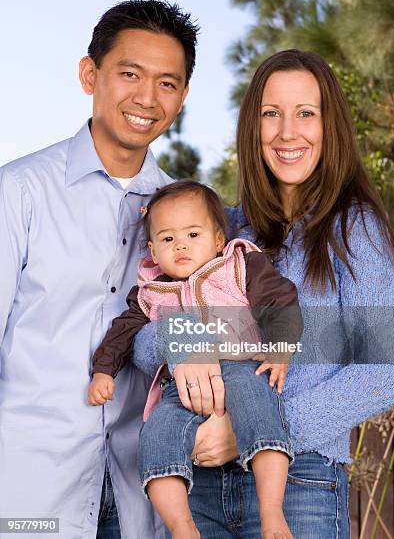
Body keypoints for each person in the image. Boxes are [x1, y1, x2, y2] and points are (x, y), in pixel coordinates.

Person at [134, 49, 394, 537]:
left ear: (331, 127)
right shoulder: (221, 231)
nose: (287, 132)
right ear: (251, 126)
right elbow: (141, 335)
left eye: (306, 113)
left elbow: (384, 371)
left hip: (302, 482)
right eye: (270, 113)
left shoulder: (355, 228)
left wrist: (253, 433)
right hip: (201, 486)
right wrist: (181, 340)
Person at [0, 0, 199, 539]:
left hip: (141, 497)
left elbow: (234, 323)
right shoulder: (17, 193)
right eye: (129, 73)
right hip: (29, 493)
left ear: (182, 97)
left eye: (167, 82)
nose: (146, 98)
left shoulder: (186, 217)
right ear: (90, 74)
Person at [87, 180, 303, 539]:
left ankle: (271, 512)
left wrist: (281, 346)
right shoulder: (150, 293)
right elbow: (122, 334)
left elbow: (280, 300)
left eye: (192, 234)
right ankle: (183, 527)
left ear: (218, 239)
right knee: (155, 438)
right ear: (153, 252)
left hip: (243, 366)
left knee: (260, 413)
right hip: (180, 388)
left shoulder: (238, 264)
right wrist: (103, 371)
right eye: (168, 239)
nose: (181, 245)